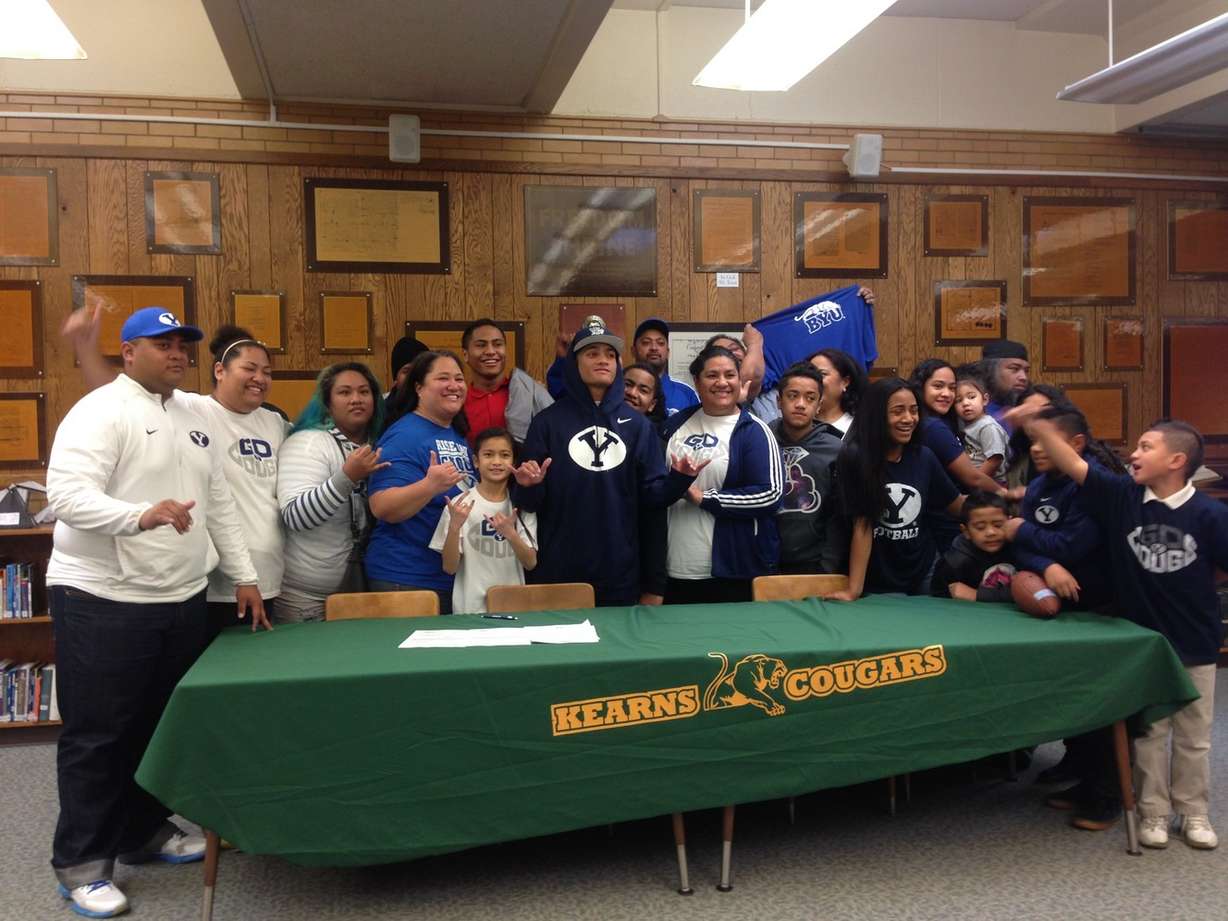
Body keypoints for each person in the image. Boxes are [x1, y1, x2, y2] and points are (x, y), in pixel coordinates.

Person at [44, 308, 265, 918]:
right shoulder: (98, 411)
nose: (176, 354)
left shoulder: (194, 413)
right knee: (99, 736)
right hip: (101, 599)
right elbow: (64, 496)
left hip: (180, 597)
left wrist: (242, 574)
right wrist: (138, 515)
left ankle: (141, 832)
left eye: (183, 346)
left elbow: (218, 501)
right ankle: (82, 864)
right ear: (128, 351)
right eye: (161, 344)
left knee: (153, 727)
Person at [1012, 407, 1228, 849]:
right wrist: (1036, 427)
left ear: (1176, 461)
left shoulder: (1210, 514)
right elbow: (1074, 464)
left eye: (1146, 446)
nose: (1133, 453)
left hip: (1197, 641)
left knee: (1193, 735)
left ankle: (1194, 812)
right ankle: (1153, 812)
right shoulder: (1123, 497)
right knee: (1149, 733)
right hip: (1143, 642)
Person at [62, 308, 288, 637]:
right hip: (184, 587)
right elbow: (123, 391)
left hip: (256, 576)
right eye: (249, 369)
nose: (260, 378)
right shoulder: (193, 408)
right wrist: (85, 349)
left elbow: (223, 501)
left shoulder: (274, 422)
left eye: (267, 371)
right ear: (220, 371)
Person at [516, 318, 703, 606]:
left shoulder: (638, 427)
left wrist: (678, 480)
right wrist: (528, 487)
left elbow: (652, 504)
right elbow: (529, 505)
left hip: (621, 574)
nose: (603, 360)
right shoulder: (547, 423)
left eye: (610, 354)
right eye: (592, 353)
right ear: (574, 364)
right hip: (558, 573)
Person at [662, 345, 783, 604]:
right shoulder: (672, 426)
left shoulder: (754, 431)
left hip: (733, 569)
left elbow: (770, 495)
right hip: (674, 568)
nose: (722, 383)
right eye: (712, 375)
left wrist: (704, 498)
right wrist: (673, 484)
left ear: (740, 381)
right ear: (696, 381)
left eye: (730, 375)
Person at [828, 378, 963, 601]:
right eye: (898, 411)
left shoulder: (924, 456)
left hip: (923, 572)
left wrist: (1003, 505)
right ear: (877, 415)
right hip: (875, 577)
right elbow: (862, 526)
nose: (909, 419)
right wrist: (854, 590)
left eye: (914, 411)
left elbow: (957, 504)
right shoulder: (855, 457)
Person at [276, 362, 389, 622]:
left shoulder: (376, 445)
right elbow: (296, 516)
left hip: (358, 596)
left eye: (364, 392)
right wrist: (346, 477)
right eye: (344, 392)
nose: (356, 399)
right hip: (305, 601)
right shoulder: (308, 442)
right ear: (327, 402)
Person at [366, 351, 477, 614]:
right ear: (419, 387)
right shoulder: (404, 435)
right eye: (443, 378)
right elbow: (382, 506)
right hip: (405, 578)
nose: (454, 385)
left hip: (447, 577)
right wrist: (429, 486)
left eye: (459, 379)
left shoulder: (455, 433)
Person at [430, 428, 538, 614]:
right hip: (469, 608)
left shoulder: (521, 505)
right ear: (476, 461)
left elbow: (530, 563)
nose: (496, 462)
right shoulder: (459, 504)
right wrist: (454, 528)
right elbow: (449, 567)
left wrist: (511, 534)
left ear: (513, 461)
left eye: (504, 455)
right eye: (488, 454)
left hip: (515, 607)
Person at [909, 359, 1010, 554]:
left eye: (951, 388)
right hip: (946, 518)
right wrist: (1007, 495)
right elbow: (972, 477)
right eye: (938, 386)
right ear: (921, 388)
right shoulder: (933, 427)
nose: (946, 394)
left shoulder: (945, 422)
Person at [771, 363, 843, 574]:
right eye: (793, 396)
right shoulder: (761, 440)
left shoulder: (836, 449)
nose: (801, 404)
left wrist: (828, 565)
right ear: (779, 400)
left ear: (819, 405)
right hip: (766, 560)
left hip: (816, 562)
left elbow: (839, 517)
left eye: (810, 398)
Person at [460, 318, 553, 446]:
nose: (491, 351)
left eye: (497, 344)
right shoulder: (457, 403)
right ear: (465, 354)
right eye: (481, 345)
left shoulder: (530, 395)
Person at [750, 345, 866, 435]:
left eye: (822, 374)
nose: (815, 382)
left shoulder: (860, 428)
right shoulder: (788, 425)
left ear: (845, 382)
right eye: (810, 374)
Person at [930, 491, 1015, 602]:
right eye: (980, 527)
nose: (991, 532)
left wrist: (978, 595)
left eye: (998, 525)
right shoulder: (953, 563)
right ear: (966, 531)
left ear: (1011, 522)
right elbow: (936, 601)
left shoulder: (1023, 549)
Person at [954, 366, 1008, 485]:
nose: (966, 403)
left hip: (992, 483)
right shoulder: (967, 426)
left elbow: (995, 459)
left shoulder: (987, 426)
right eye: (958, 400)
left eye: (971, 397)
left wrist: (975, 481)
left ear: (985, 400)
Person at [981, 340, 1031, 432]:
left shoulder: (1030, 408)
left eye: (1026, 371)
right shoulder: (971, 408)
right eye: (1014, 369)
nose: (1024, 377)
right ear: (990, 370)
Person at [385, 335, 428, 401]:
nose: (413, 377)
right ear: (396, 378)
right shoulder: (380, 407)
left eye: (420, 370)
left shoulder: (441, 407)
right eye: (407, 371)